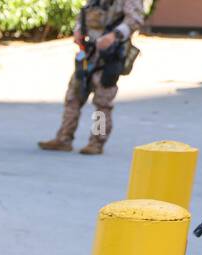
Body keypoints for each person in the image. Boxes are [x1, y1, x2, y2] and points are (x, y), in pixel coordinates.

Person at [37, 0, 145, 156]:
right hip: (88, 53)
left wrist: (113, 36)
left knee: (102, 102)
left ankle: (96, 142)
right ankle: (63, 139)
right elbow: (85, 13)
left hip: (111, 55)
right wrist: (78, 30)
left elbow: (135, 20)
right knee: (73, 96)